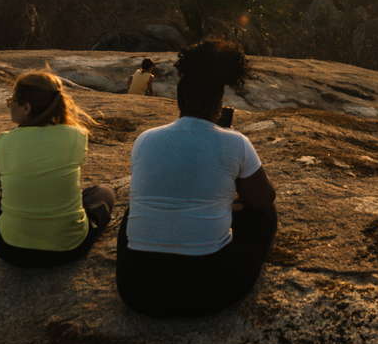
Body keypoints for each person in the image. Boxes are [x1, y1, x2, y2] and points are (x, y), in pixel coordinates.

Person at [116, 39, 277, 316]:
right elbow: (263, 198)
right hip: (206, 293)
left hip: (136, 290)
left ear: (179, 101)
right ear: (218, 105)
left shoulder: (145, 139)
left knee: (135, 209)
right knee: (265, 214)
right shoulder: (235, 142)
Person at [0, 71, 115, 268]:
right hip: (68, 249)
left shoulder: (3, 141)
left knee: (9, 188)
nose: (9, 105)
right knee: (103, 192)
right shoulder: (77, 135)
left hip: (10, 250)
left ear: (26, 107)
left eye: (12, 101)